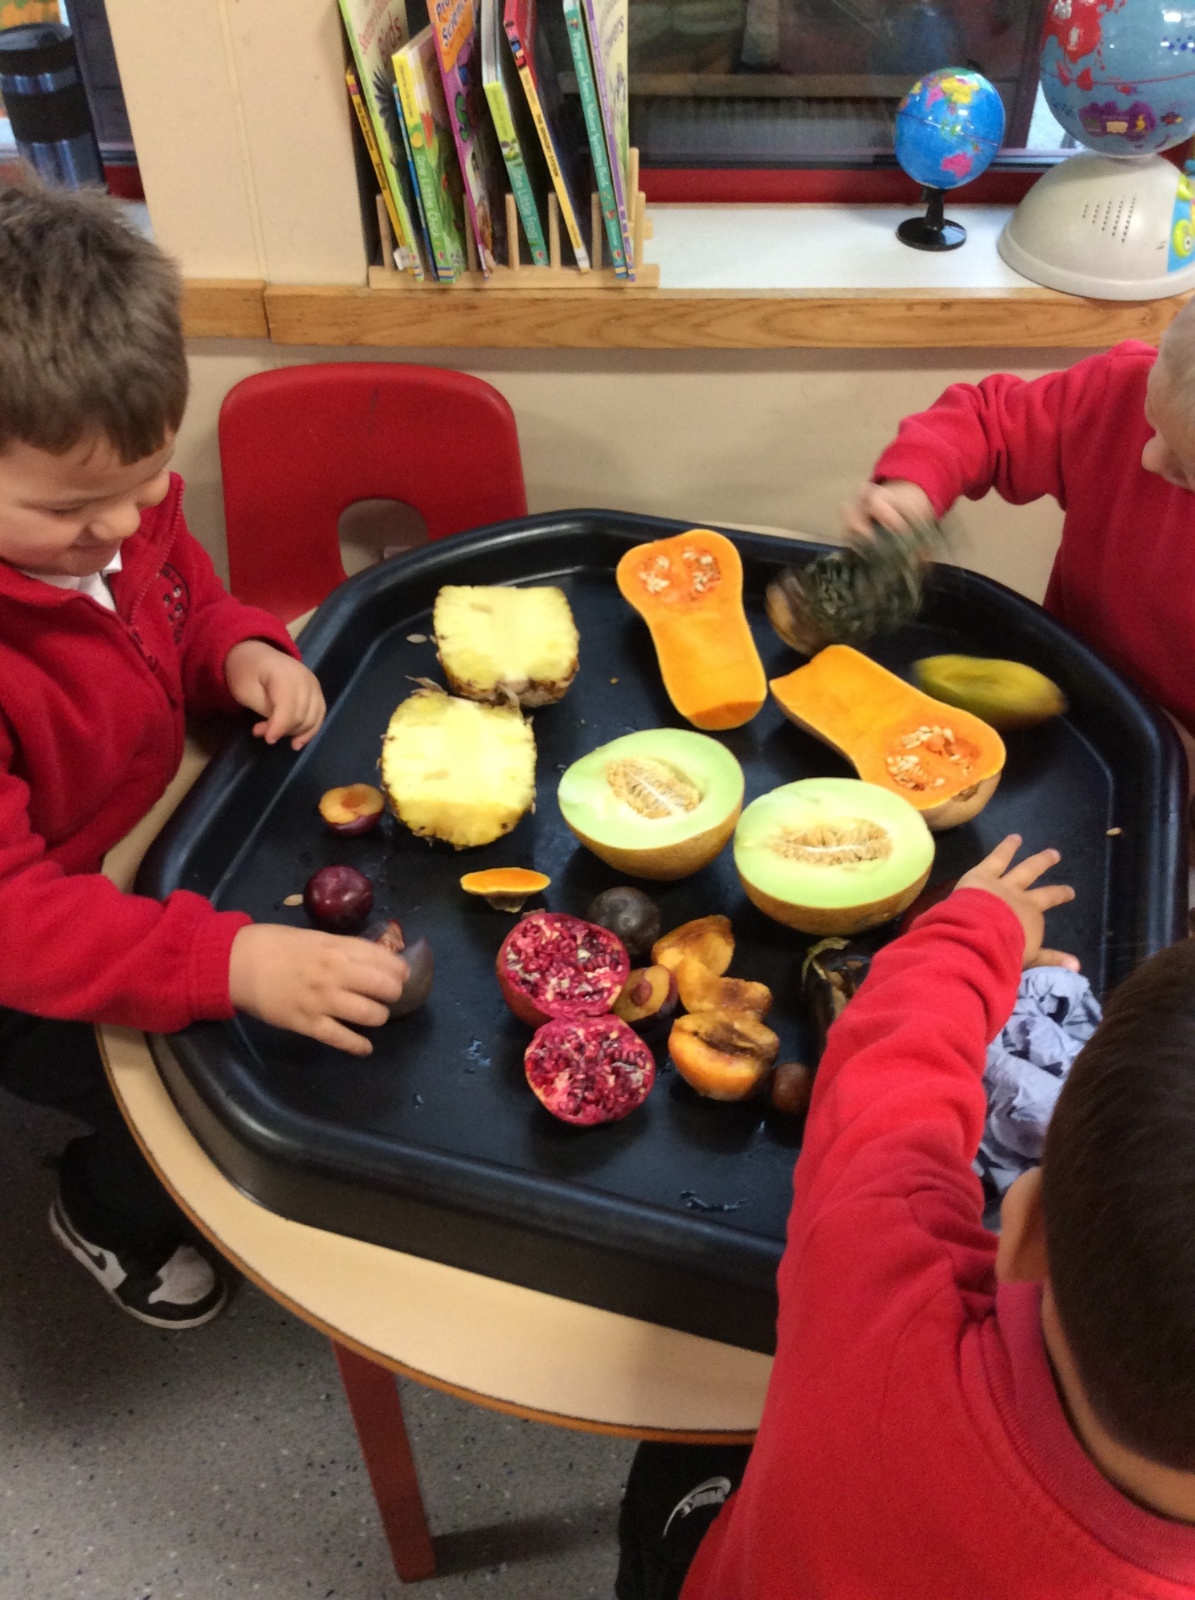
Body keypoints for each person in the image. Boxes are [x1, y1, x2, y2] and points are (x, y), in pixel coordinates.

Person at [0, 175, 409, 1329]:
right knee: (165, 1091)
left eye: (149, 481)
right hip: (33, 942)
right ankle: (106, 1207)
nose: (123, 527)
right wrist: (224, 967)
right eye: (75, 509)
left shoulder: (119, 518)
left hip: (137, 837)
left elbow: (187, 603)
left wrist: (237, 651)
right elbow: (17, 922)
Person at [619, 835, 1195, 1599]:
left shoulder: (888, 1315)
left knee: (674, 1474)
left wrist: (977, 929)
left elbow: (886, 1077)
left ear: (1023, 1234)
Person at [842, 308, 1195, 740]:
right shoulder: (1118, 390)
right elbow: (986, 422)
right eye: (1152, 415)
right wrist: (910, 490)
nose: (1149, 458)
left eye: (1186, 471)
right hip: (1061, 695)